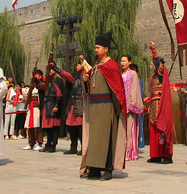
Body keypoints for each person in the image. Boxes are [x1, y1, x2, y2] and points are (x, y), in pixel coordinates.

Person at [80, 31, 127, 181]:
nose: (95, 50)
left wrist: (117, 106)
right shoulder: (96, 67)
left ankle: (107, 169)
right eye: (95, 47)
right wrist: (86, 81)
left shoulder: (111, 65)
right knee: (94, 139)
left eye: (98, 47)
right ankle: (93, 168)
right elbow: (88, 88)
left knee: (107, 139)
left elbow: (117, 88)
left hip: (107, 107)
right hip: (94, 108)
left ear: (106, 49)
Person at [147, 42, 173, 164]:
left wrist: (153, 49)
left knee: (162, 129)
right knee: (154, 130)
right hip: (153, 106)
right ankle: (156, 155)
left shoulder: (162, 75)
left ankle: (166, 155)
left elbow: (158, 63)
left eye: (152, 64)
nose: (150, 66)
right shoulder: (154, 77)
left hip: (161, 105)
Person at [120, 54, 144, 161]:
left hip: (129, 104)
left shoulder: (133, 74)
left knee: (130, 128)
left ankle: (130, 152)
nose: (122, 63)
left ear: (130, 62)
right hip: (122, 105)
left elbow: (135, 89)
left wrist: (132, 104)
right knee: (123, 129)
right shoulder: (120, 75)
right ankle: (122, 150)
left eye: (124, 61)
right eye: (121, 61)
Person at [62, 57, 87, 155]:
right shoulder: (75, 78)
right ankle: (73, 147)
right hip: (73, 103)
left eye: (78, 64)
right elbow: (66, 75)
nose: (76, 67)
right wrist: (56, 68)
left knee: (81, 128)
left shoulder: (86, 77)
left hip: (81, 104)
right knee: (71, 126)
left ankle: (83, 147)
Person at [41, 60, 64, 153]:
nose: (49, 71)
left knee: (54, 127)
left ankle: (53, 145)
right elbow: (41, 87)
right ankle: (48, 143)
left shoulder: (58, 80)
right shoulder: (48, 81)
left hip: (54, 105)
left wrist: (56, 105)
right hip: (47, 105)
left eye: (51, 69)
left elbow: (59, 94)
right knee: (48, 127)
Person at [22, 69, 44, 151]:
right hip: (31, 107)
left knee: (37, 126)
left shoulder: (42, 84)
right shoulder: (31, 85)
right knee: (29, 126)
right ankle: (31, 143)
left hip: (37, 107)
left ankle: (39, 143)